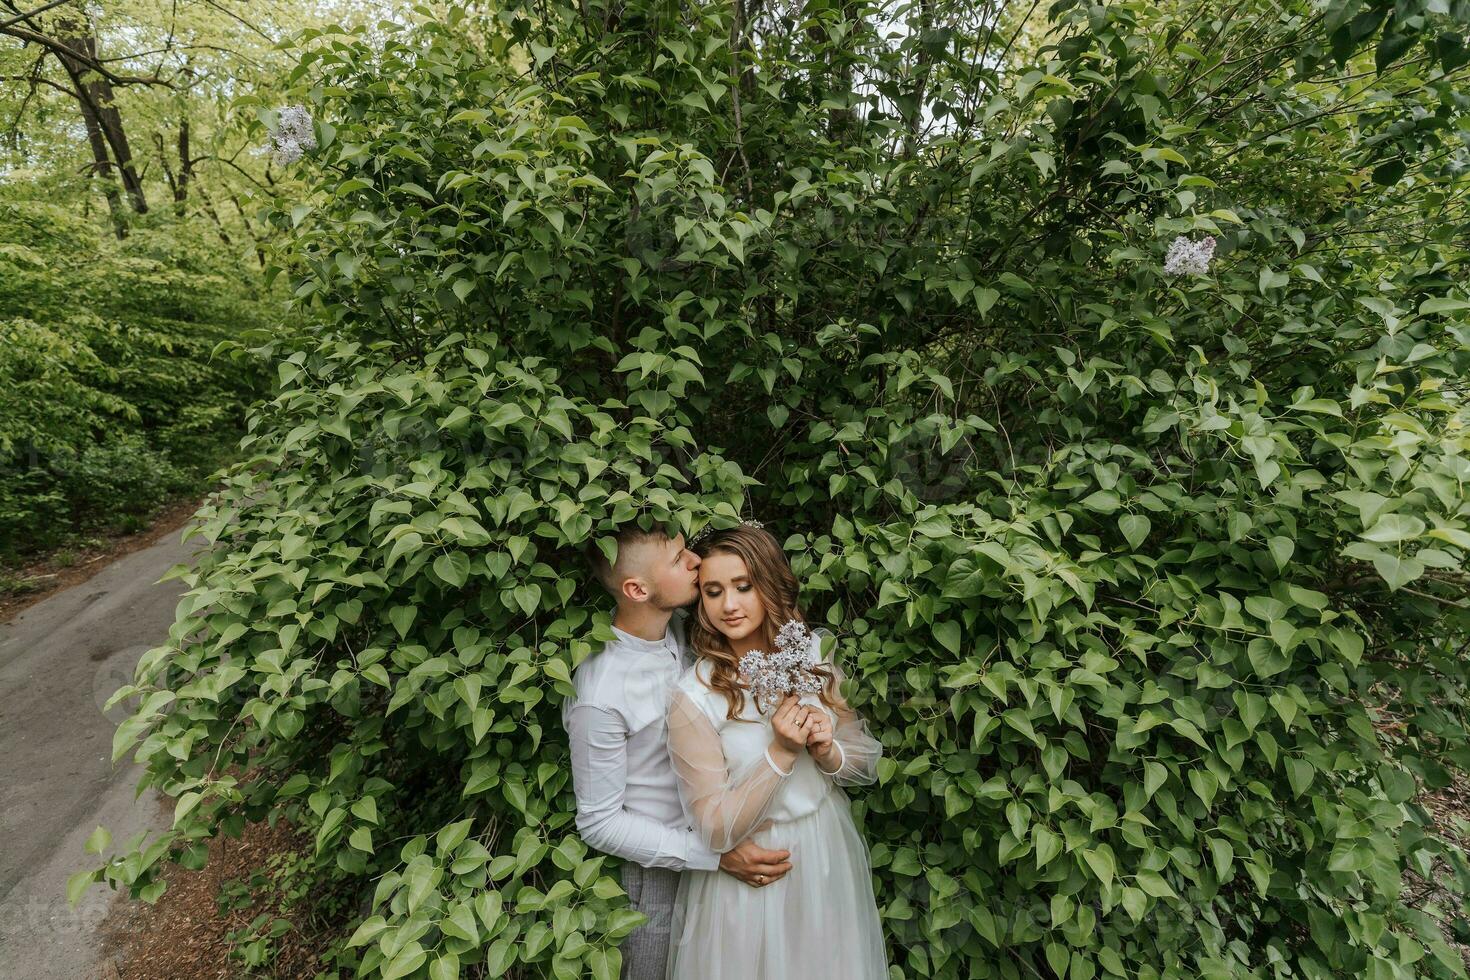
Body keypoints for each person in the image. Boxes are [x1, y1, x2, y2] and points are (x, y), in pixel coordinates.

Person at [562, 523, 799, 980]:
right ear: (636, 588)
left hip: (735, 838)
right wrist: (714, 856)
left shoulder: (687, 632)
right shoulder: (601, 692)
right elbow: (599, 821)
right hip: (662, 877)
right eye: (677, 559)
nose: (694, 559)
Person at [664, 520, 888, 980]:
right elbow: (713, 829)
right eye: (712, 591)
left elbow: (859, 759)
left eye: (744, 587)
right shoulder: (695, 696)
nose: (729, 605)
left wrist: (828, 750)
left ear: (768, 584)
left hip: (824, 851)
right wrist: (781, 753)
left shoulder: (811, 654)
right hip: (754, 873)